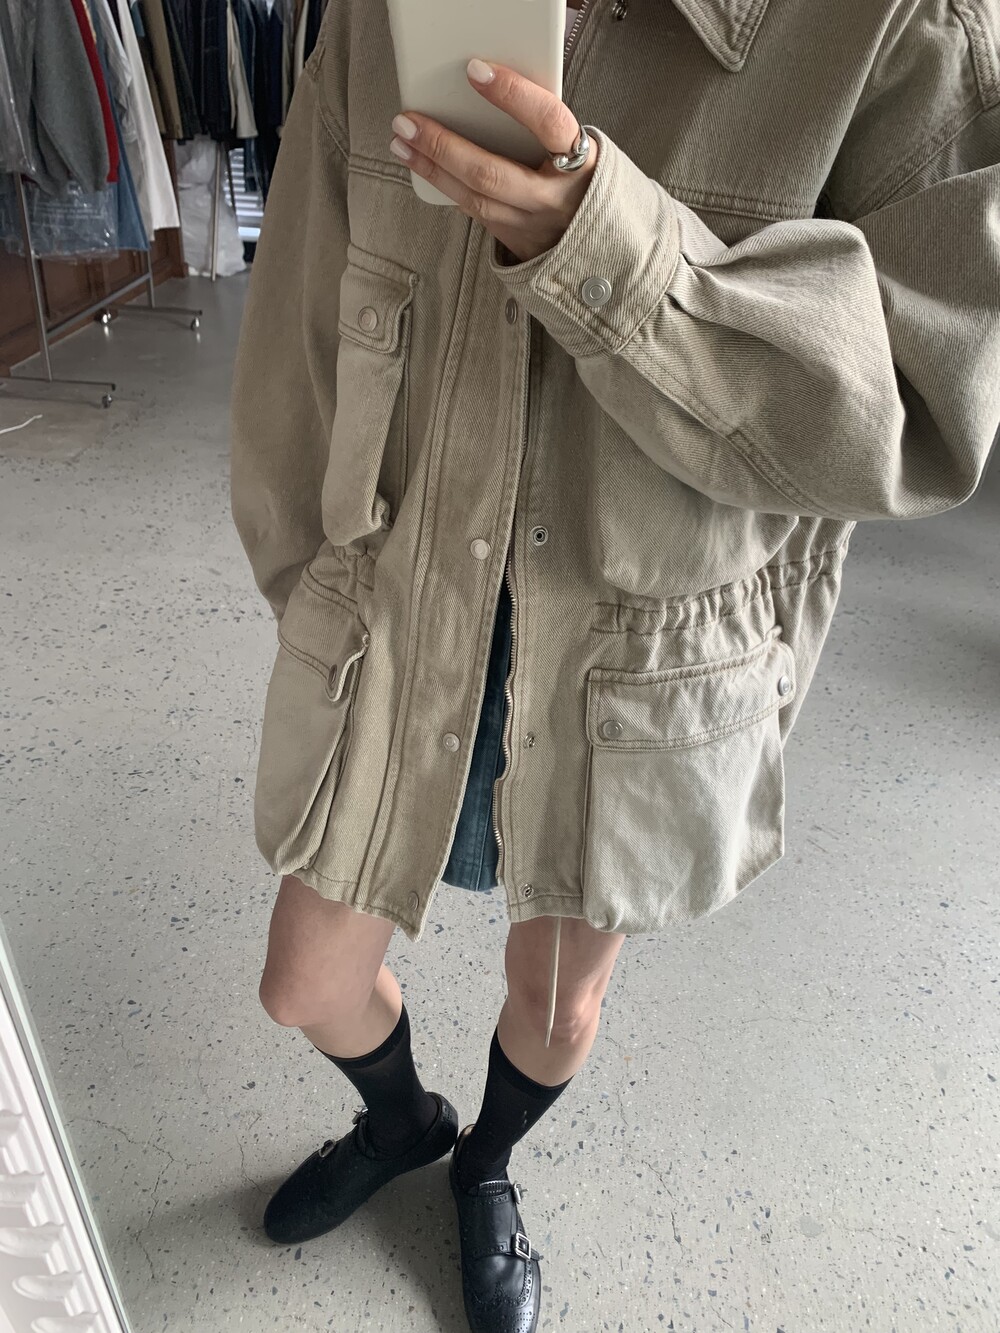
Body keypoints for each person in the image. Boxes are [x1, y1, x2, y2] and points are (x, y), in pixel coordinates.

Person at [229, 0, 999, 1329]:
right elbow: (307, 282)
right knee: (306, 979)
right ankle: (405, 1122)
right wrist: (307, 567)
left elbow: (922, 403)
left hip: (643, 628)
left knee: (559, 1005)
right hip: (406, 593)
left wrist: (609, 255)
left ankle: (486, 1164)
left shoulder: (907, 25)